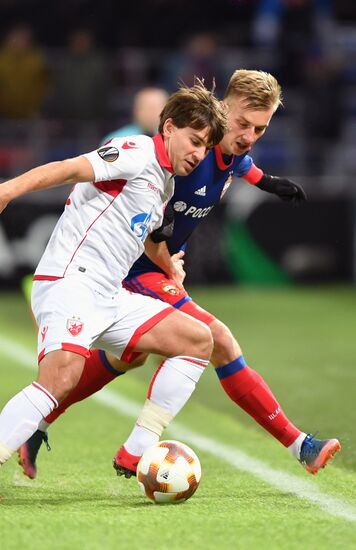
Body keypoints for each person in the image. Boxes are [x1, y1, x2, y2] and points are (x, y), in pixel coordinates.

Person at [17, 70, 340, 482]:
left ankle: (36, 423)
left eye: (260, 128)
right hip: (134, 268)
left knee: (126, 357)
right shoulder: (187, 158)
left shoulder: (235, 153)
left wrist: (273, 184)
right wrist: (169, 260)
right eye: (242, 124)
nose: (249, 135)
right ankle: (300, 445)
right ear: (223, 110)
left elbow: (244, 165)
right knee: (218, 339)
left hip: (149, 268)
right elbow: (148, 229)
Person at [0, 79, 228, 502]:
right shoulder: (135, 152)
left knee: (197, 340)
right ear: (169, 128)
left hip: (109, 294)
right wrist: (5, 191)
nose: (197, 155)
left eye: (205, 148)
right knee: (61, 378)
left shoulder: (166, 182)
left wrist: (166, 262)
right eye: (193, 141)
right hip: (71, 281)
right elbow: (68, 167)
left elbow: (144, 235)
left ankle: (136, 450)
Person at [101, 87, 169, 143]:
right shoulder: (114, 141)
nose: (152, 113)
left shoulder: (172, 141)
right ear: (135, 110)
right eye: (147, 107)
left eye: (156, 107)